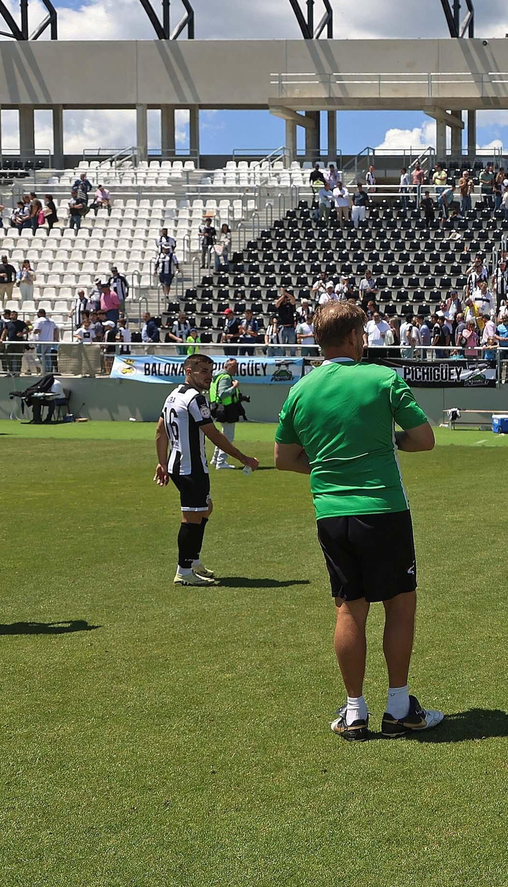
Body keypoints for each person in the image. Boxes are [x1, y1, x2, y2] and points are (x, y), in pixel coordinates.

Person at [274, 300, 441, 740]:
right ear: (353, 337)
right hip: (383, 508)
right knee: (400, 606)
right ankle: (399, 709)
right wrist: (391, 440)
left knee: (349, 608)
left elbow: (284, 459)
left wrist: (331, 464)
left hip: (331, 513)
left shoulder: (301, 389)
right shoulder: (382, 378)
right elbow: (424, 440)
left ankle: (354, 712)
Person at [153, 355, 260, 587]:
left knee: (205, 509)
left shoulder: (173, 394)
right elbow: (214, 434)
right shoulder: (195, 399)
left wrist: (162, 463)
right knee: (191, 517)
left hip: (178, 465)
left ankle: (193, 561)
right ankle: (184, 570)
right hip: (191, 467)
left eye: (210, 370)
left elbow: (160, 431)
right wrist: (244, 458)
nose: (208, 376)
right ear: (189, 371)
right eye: (202, 371)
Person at [208, 358, 246, 470]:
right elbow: (223, 394)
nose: (236, 369)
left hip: (220, 408)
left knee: (223, 435)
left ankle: (215, 460)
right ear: (226, 367)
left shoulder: (218, 376)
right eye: (233, 366)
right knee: (228, 437)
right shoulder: (225, 377)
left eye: (237, 366)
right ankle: (221, 461)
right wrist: (234, 387)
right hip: (226, 409)